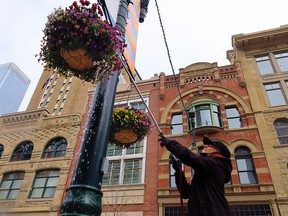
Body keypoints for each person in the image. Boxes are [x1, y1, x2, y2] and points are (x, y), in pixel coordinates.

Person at [158, 133, 232, 216]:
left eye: (209, 145)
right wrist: (179, 172)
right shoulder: (206, 170)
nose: (205, 146)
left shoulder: (216, 164)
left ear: (219, 151)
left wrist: (170, 143)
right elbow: (186, 193)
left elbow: (190, 157)